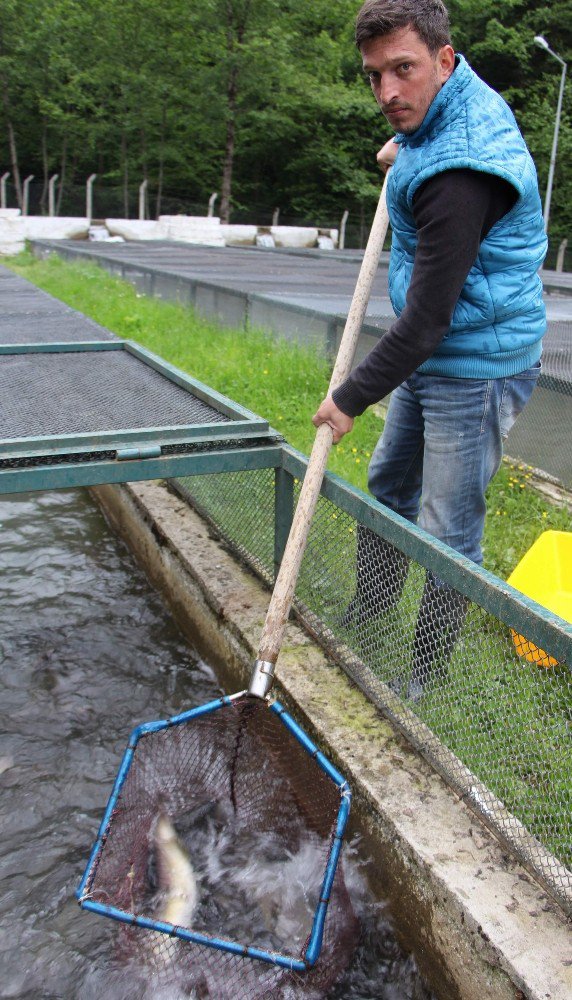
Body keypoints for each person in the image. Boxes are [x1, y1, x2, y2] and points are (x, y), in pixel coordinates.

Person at [312, 0, 547, 701]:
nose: (388, 92)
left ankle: (425, 673)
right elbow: (425, 138)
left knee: (449, 529)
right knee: (389, 490)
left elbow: (424, 325)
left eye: (403, 70)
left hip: (474, 364)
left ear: (444, 61)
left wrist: (347, 398)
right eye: (375, 75)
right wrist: (405, 147)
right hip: (433, 351)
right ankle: (374, 610)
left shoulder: (459, 177)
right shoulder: (445, 110)